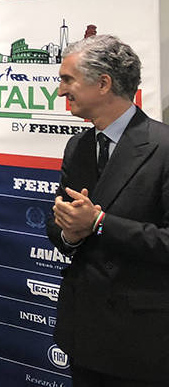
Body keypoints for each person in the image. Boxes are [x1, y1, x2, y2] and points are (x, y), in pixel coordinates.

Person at [47, 34, 169, 386]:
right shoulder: (79, 146)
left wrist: (99, 223)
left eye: (67, 80)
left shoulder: (163, 147)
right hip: (84, 331)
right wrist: (70, 232)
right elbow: (59, 225)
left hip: (140, 341)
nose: (60, 91)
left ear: (103, 84)